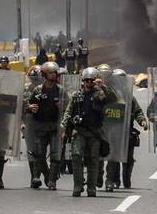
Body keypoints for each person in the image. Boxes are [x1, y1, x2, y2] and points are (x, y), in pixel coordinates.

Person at [60, 66, 107, 197]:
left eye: (92, 81)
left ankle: (91, 187)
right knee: (75, 156)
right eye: (87, 80)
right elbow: (68, 112)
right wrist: (63, 127)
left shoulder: (101, 94)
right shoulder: (76, 95)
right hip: (79, 131)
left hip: (94, 133)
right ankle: (78, 185)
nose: (89, 83)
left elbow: (111, 98)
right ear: (83, 81)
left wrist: (102, 87)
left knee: (93, 159)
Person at [22, 61, 63, 190]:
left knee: (55, 155)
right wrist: (29, 107)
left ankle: (52, 180)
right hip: (40, 126)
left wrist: (62, 107)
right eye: (50, 73)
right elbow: (28, 104)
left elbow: (69, 108)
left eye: (54, 72)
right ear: (45, 74)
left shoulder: (61, 90)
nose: (53, 75)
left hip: (55, 126)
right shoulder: (37, 90)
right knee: (39, 153)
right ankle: (36, 177)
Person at [105, 68, 148, 190]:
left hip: (126, 132)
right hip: (112, 132)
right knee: (113, 157)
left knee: (128, 158)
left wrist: (143, 121)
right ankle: (113, 180)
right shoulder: (108, 96)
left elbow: (138, 111)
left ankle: (126, 179)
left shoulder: (130, 97)